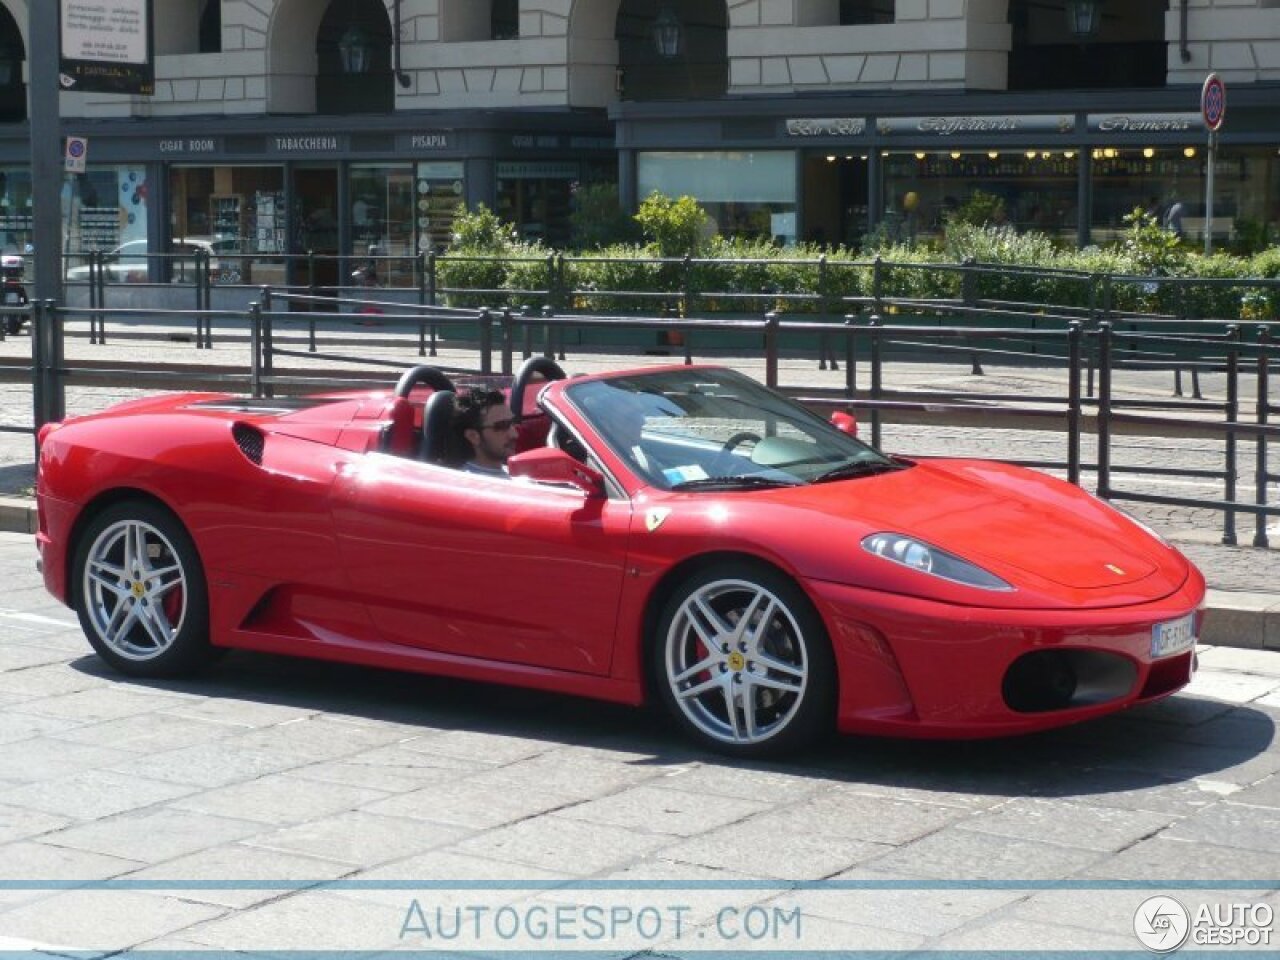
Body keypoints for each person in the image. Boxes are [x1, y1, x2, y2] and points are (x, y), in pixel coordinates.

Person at [453, 388, 518, 477]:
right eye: (501, 426)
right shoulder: (468, 484)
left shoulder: (518, 475)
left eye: (512, 423)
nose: (514, 434)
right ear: (473, 436)